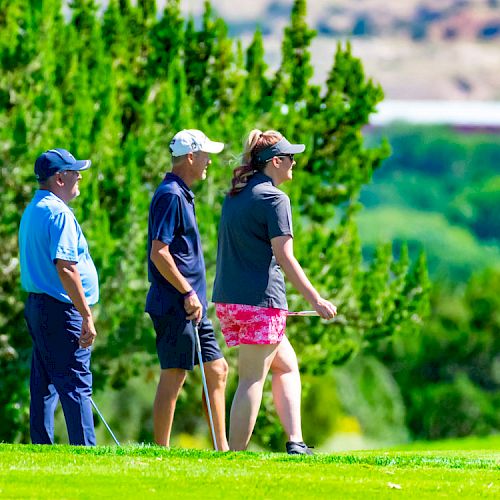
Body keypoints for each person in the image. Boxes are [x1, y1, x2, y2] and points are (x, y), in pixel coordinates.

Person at [213, 129, 337, 455]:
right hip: (260, 303)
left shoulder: (236, 193)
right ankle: (235, 455)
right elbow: (285, 255)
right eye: (290, 157)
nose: (294, 162)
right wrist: (316, 299)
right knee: (252, 378)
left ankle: (295, 441)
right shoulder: (275, 199)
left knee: (286, 365)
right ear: (275, 161)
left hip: (231, 301)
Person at [146, 129, 229, 450]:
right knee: (175, 373)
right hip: (175, 304)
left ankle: (223, 449)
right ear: (191, 156)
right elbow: (159, 251)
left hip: (191, 306)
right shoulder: (170, 195)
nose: (209, 161)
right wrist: (187, 293)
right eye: (205, 155)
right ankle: (160, 449)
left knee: (218, 369)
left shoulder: (181, 193)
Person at [19, 148, 99, 446]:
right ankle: (84, 450)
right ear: (59, 178)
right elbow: (66, 268)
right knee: (76, 383)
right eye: (74, 172)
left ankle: (42, 445)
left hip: (38, 306)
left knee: (44, 382)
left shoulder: (34, 209)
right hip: (61, 309)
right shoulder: (59, 214)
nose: (79, 176)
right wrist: (86, 316)